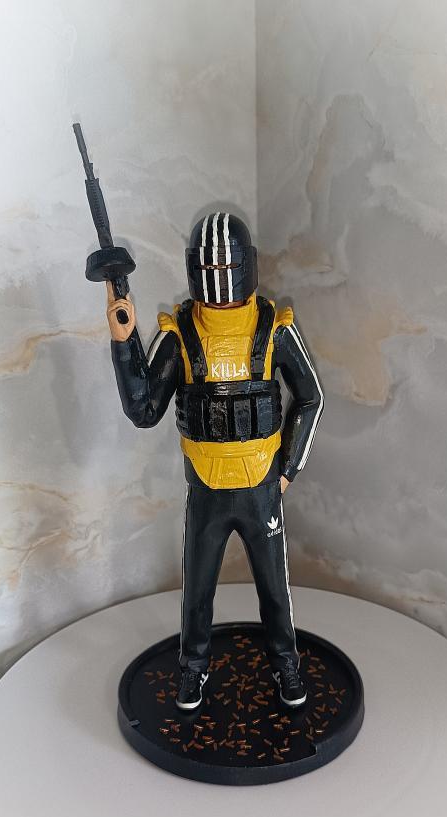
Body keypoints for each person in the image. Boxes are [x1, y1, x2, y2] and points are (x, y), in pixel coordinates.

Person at [107, 212, 323, 711]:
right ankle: (192, 667)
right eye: (210, 271)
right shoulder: (180, 334)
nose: (220, 284)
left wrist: (288, 469)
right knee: (197, 589)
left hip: (261, 487)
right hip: (205, 490)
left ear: (247, 267)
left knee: (275, 588)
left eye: (227, 269)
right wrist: (124, 339)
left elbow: (311, 398)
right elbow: (143, 409)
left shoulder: (274, 328)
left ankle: (284, 662)